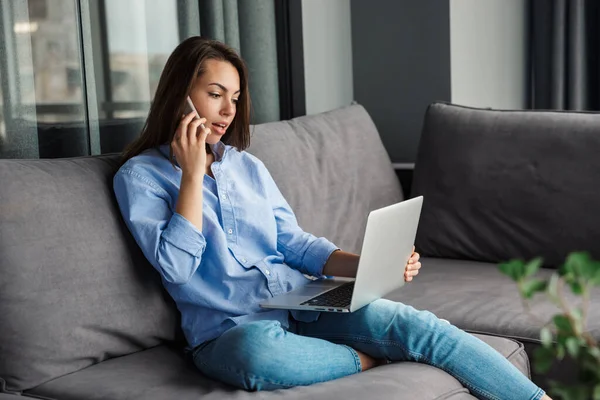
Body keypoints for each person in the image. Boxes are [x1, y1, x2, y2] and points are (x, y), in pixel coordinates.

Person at [113, 36, 550, 400]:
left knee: (420, 327)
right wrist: (191, 176)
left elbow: (295, 244)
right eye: (215, 95)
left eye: (236, 98)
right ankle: (361, 357)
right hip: (230, 332)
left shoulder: (246, 167)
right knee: (255, 357)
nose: (228, 111)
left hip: (301, 302)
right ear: (179, 95)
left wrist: (366, 266)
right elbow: (176, 268)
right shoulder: (141, 177)